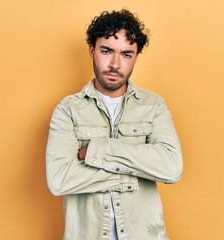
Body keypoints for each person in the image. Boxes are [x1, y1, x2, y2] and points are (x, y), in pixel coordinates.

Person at [46, 9, 183, 240]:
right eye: (107, 51)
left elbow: (171, 167)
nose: (115, 64)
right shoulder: (68, 110)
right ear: (92, 50)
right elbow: (59, 180)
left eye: (127, 54)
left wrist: (97, 151)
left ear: (136, 56)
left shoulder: (154, 106)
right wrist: (133, 175)